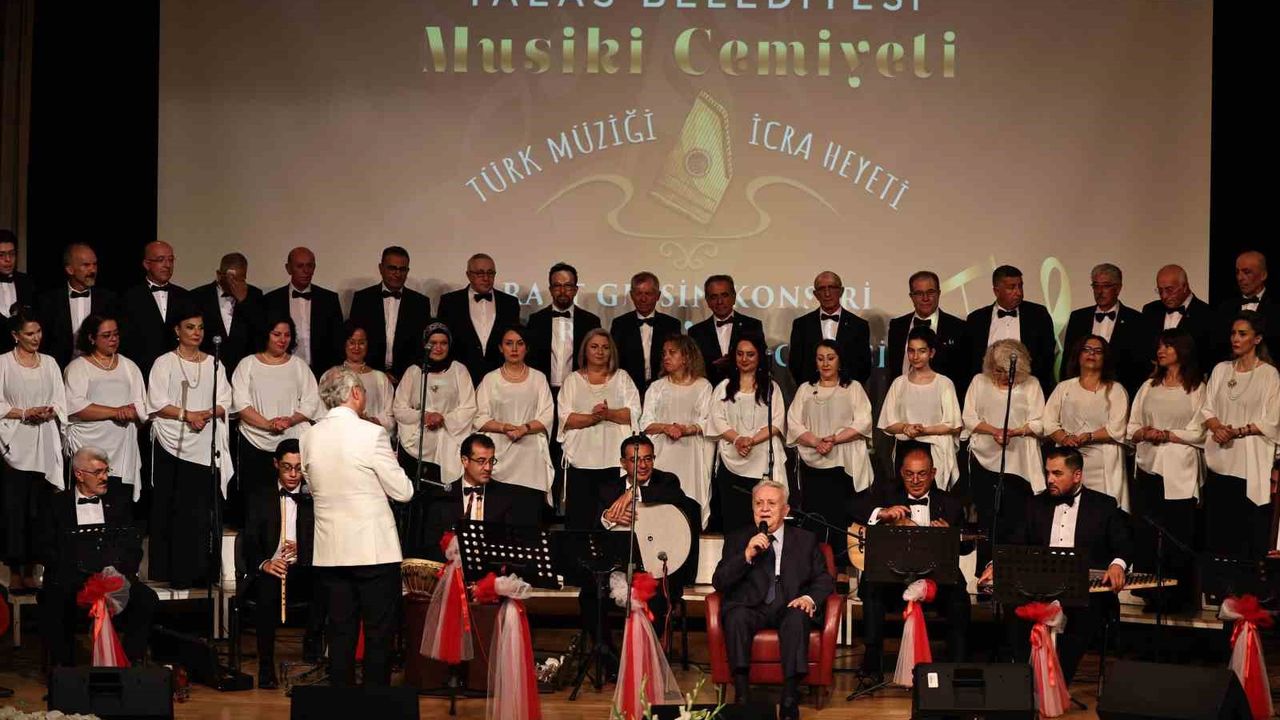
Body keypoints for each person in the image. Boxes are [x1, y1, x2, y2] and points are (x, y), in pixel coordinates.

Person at [301, 367, 414, 687]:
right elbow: (403, 491)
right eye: (362, 390)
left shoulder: (308, 436)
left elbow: (312, 484)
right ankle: (374, 703)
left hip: (331, 551)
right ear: (353, 393)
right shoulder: (371, 434)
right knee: (378, 633)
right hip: (372, 550)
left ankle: (342, 703)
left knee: (340, 633)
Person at [981, 447, 1132, 686]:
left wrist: (1117, 565)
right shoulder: (1034, 504)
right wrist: (996, 564)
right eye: (1048, 473)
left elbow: (1123, 545)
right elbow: (1015, 543)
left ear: (1077, 475)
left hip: (1082, 591)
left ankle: (1056, 684)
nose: (1050, 479)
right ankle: (1024, 682)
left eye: (1057, 473)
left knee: (1083, 616)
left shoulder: (1103, 505)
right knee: (1013, 606)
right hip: (1039, 588)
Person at [712, 479, 834, 718]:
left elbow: (824, 579)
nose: (764, 509)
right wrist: (746, 554)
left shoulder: (805, 539)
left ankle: (789, 697)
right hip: (751, 607)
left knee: (798, 617)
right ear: (752, 508)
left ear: (785, 510)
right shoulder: (738, 538)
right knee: (736, 616)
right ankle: (742, 695)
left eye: (771, 503)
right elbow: (720, 581)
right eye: (759, 503)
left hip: (789, 604)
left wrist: (809, 598)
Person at [852, 446, 971, 680]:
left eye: (922, 474)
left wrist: (951, 536)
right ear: (901, 473)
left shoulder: (950, 503)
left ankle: (957, 667)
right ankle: (872, 667)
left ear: (933, 473)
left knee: (959, 598)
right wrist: (882, 513)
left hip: (936, 582)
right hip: (893, 581)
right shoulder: (887, 494)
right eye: (909, 474)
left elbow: (967, 547)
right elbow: (852, 508)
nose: (915, 480)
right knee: (871, 589)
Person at [581, 435, 701, 662]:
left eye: (648, 459)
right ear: (623, 463)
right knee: (588, 595)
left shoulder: (667, 482)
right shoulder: (608, 489)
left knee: (656, 598)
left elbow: (675, 496)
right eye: (635, 460)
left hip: (656, 570)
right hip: (618, 568)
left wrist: (632, 493)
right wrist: (608, 517)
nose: (643, 465)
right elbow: (594, 527)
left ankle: (646, 661)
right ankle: (608, 658)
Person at [36, 447, 158, 667]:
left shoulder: (119, 502)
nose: (105, 477)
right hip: (72, 580)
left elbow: (133, 546)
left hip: (114, 578)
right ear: (79, 474)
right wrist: (77, 576)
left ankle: (131, 664)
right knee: (54, 600)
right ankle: (64, 671)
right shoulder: (56, 504)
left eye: (106, 471)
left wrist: (117, 575)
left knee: (146, 598)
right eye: (98, 472)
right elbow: (45, 548)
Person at [146, 304, 233, 588]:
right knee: (177, 511)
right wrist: (187, 415)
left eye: (200, 328)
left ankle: (203, 573)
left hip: (205, 442)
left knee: (202, 512)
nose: (197, 333)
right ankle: (176, 574)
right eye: (190, 327)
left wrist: (204, 414)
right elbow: (156, 402)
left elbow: (225, 400)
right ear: (177, 330)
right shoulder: (164, 363)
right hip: (173, 444)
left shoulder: (214, 363)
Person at [1127, 328, 1205, 607]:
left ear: (1182, 350)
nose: (1160, 351)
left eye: (1167, 346)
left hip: (1180, 470)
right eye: (1159, 346)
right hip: (1149, 467)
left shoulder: (1197, 387)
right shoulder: (1149, 386)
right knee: (1148, 531)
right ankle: (1150, 592)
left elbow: (1200, 431)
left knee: (1178, 533)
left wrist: (1168, 435)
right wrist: (1145, 433)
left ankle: (1179, 595)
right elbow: (1131, 426)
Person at [240, 438, 323, 687]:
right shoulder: (260, 497)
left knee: (328, 587)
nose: (293, 475)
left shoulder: (314, 497)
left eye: (298, 468)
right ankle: (266, 668)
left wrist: (303, 549)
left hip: (305, 567)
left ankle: (313, 655)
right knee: (267, 589)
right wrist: (265, 563)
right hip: (272, 568)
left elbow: (326, 537)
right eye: (287, 467)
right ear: (276, 464)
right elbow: (249, 541)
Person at [1200, 311, 1280, 559]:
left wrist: (1237, 431)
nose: (1235, 338)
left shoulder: (1269, 374)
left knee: (1247, 531)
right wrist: (1217, 427)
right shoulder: (1221, 369)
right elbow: (1207, 407)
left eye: (1242, 334)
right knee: (1221, 530)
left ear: (1257, 339)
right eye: (1233, 333)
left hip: (1250, 461)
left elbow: (1272, 420)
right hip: (1221, 458)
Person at [393, 322, 477, 556]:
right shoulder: (413, 372)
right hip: (418, 450)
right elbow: (399, 408)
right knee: (417, 506)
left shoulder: (459, 370)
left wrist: (444, 418)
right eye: (433, 343)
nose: (438, 348)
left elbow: (469, 407)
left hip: (449, 445)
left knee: (442, 506)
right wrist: (424, 416)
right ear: (424, 345)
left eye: (443, 343)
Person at [0, 307, 68, 592]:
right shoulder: (3, 363)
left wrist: (49, 411)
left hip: (44, 441)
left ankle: (33, 569)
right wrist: (25, 412)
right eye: (29, 333)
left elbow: (61, 399)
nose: (36, 337)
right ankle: (15, 570)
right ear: (16, 335)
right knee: (15, 510)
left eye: (38, 332)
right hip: (15, 443)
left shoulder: (49, 363)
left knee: (40, 510)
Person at [962, 339, 1045, 568]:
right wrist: (995, 431)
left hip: (1019, 463)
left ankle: (1015, 570)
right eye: (998, 370)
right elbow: (969, 418)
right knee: (988, 518)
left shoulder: (1032, 385)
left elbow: (1040, 422)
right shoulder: (979, 382)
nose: (1003, 376)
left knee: (1016, 518)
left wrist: (1015, 432)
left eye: (1008, 371)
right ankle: (985, 570)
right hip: (984, 460)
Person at [526, 262, 602, 514]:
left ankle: (573, 510)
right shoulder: (535, 321)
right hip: (545, 393)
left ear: (576, 289)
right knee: (545, 451)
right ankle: (545, 510)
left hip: (578, 396)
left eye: (568, 285)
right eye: (557, 285)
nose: (562, 290)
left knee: (575, 452)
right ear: (550, 289)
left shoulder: (591, 321)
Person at [786, 339, 873, 552]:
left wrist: (834, 439)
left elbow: (863, 422)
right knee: (815, 518)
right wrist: (816, 442)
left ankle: (842, 565)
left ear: (839, 361)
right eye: (820, 359)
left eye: (831, 358)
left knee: (841, 518)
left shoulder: (853, 388)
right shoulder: (806, 389)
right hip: (813, 467)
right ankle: (816, 563)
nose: (825, 363)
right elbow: (793, 423)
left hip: (843, 465)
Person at [231, 316, 322, 508]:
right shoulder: (247, 364)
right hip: (254, 442)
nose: (282, 340)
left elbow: (311, 402)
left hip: (291, 442)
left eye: (287, 335)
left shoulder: (299, 365)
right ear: (266, 335)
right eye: (277, 334)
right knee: (257, 502)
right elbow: (240, 403)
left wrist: (290, 420)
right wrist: (268, 424)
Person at [558, 328, 640, 529]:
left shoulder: (622, 378)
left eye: (605, 347)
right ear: (585, 350)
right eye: (594, 346)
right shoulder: (572, 380)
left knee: (612, 522)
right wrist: (594, 417)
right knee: (579, 523)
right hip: (581, 463)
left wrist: (607, 414)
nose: (600, 351)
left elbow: (633, 413)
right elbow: (566, 419)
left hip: (613, 463)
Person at [63, 314, 147, 500]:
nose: (113, 339)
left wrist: (132, 412)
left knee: (119, 501)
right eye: (106, 335)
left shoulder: (129, 366)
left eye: (116, 334)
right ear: (91, 338)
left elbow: (141, 407)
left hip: (121, 448)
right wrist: (116, 412)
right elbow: (74, 406)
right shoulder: (78, 367)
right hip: (88, 446)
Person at [709, 334, 787, 532]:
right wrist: (737, 439)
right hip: (731, 463)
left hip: (762, 462)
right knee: (733, 523)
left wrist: (751, 441)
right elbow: (717, 419)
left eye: (750, 354)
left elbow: (776, 422)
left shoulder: (771, 387)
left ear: (759, 356)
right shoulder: (723, 387)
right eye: (740, 354)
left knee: (761, 524)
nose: (744, 359)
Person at [1043, 335, 1131, 510]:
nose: (1092, 354)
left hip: (1103, 462)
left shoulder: (1116, 390)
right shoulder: (1064, 387)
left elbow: (1118, 427)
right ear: (1078, 355)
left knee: (1101, 510)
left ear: (1105, 358)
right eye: (1087, 350)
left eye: (1098, 351)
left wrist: (1090, 436)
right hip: (1069, 461)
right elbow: (1048, 421)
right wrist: (1064, 438)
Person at [639, 335, 715, 528]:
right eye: (664, 353)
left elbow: (708, 421)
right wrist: (666, 427)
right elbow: (645, 423)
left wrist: (685, 429)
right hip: (663, 454)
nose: (666, 357)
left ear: (686, 357)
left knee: (689, 500)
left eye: (672, 353)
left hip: (691, 456)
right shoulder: (657, 388)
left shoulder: (703, 386)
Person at [473, 325, 555, 504]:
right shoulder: (490, 379)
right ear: (500, 348)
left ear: (527, 348)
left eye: (520, 343)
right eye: (509, 343)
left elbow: (547, 415)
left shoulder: (538, 378)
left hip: (530, 457)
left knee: (528, 509)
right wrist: (503, 427)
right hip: (498, 456)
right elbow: (479, 417)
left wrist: (524, 428)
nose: (515, 349)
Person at [878, 327, 964, 490]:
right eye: (911, 351)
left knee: (936, 499)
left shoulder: (944, 384)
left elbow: (954, 426)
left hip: (934, 450)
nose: (915, 356)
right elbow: (887, 423)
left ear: (931, 353)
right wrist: (905, 428)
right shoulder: (899, 383)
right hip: (905, 449)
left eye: (922, 351)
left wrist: (923, 430)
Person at [421, 434, 525, 561]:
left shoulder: (505, 497)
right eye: (481, 461)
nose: (488, 468)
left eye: (491, 461)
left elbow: (513, 546)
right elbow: (431, 545)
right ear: (465, 461)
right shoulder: (443, 496)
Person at [1061, 263, 1151, 397]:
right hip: (1079, 392)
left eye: (1106, 286)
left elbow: (1140, 364)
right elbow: (1069, 358)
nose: (1099, 291)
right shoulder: (1078, 317)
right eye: (1096, 286)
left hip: (1122, 393)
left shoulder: (1136, 320)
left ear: (1118, 288)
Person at [965, 265, 1056, 396]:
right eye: (1012, 287)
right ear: (996, 291)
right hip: (987, 391)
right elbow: (969, 360)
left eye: (1020, 286)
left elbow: (1047, 355)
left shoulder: (1039, 315)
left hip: (1028, 390)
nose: (1018, 292)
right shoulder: (976, 319)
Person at [346, 246, 432, 382]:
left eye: (402, 269)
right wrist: (376, 373)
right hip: (368, 375)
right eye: (392, 268)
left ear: (407, 271)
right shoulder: (362, 299)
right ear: (381, 268)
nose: (397, 274)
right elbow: (355, 340)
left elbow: (421, 346)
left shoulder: (420, 303)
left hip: (407, 378)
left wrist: (402, 375)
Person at [436, 253, 521, 386]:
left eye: (490, 273)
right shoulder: (450, 302)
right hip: (459, 378)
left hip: (500, 378)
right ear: (468, 275)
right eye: (480, 273)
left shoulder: (510, 303)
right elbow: (443, 340)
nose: (486, 278)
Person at [263, 247, 344, 376]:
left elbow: (338, 340)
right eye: (300, 266)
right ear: (288, 268)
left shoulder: (329, 299)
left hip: (322, 373)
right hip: (282, 370)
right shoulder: (271, 300)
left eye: (309, 266)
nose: (306, 271)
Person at [885, 270, 969, 396]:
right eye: (919, 293)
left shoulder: (958, 328)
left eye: (930, 292)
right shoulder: (897, 326)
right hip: (902, 398)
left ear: (939, 293)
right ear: (911, 296)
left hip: (942, 402)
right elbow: (893, 370)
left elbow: (963, 374)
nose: (925, 298)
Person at [36, 243, 117, 368]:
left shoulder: (108, 299)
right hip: (59, 368)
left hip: (99, 368)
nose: (93, 270)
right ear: (70, 269)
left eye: (95, 264)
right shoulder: (49, 301)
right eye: (86, 265)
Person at [119, 240, 189, 379]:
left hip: (179, 373)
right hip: (141, 374)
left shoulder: (185, 297)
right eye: (161, 260)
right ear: (146, 264)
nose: (167, 265)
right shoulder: (129, 298)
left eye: (171, 260)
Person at [788, 270, 871, 386]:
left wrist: (848, 388)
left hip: (847, 390)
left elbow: (864, 366)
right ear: (816, 294)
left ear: (841, 291)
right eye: (822, 289)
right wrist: (809, 387)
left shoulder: (859, 325)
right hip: (811, 390)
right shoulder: (801, 325)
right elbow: (795, 364)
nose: (827, 293)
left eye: (832, 288)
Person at [192, 252, 266, 375]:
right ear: (219, 275)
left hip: (245, 369)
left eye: (241, 279)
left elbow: (260, 332)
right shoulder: (198, 296)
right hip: (207, 369)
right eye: (231, 279)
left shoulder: (254, 295)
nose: (236, 284)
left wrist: (243, 302)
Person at [611, 271, 682, 397]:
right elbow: (615, 361)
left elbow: (676, 361)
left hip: (665, 390)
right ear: (632, 295)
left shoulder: (672, 324)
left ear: (658, 296)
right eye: (639, 293)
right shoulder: (620, 324)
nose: (643, 299)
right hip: (627, 391)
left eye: (648, 294)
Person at [689, 275, 764, 389]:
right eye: (714, 297)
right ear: (707, 301)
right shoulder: (696, 332)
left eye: (724, 295)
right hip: (708, 391)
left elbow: (762, 361)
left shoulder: (752, 325)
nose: (720, 301)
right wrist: (714, 366)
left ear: (734, 297)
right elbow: (693, 369)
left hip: (745, 390)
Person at [1141, 264, 1214, 375]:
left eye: (1169, 290)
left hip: (1190, 380)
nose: (1164, 296)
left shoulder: (1206, 314)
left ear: (1184, 287)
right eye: (1160, 291)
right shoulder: (1150, 310)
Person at [1214, 251, 1276, 362]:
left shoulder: (1275, 307)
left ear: (1263, 275)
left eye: (1247, 272)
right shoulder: (1225, 308)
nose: (1240, 278)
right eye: (1237, 272)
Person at [335, 321, 395, 434]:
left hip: (372, 437)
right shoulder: (332, 376)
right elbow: (322, 414)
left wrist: (371, 421)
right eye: (352, 342)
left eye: (361, 343)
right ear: (344, 343)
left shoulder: (380, 378)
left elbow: (390, 416)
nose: (356, 347)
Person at [0, 229, 36, 354]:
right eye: (1, 255)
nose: (8, 259)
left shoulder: (26, 282)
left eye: (12, 254)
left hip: (21, 355)